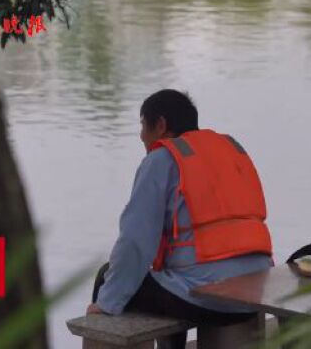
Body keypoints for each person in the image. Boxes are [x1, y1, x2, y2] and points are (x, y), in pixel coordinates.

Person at [86, 89, 273, 349]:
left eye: (142, 125)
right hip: (258, 286)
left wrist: (106, 303)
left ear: (160, 125)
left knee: (108, 279)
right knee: (165, 280)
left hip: (210, 297)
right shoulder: (232, 149)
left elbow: (135, 242)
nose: (141, 136)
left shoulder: (162, 159)